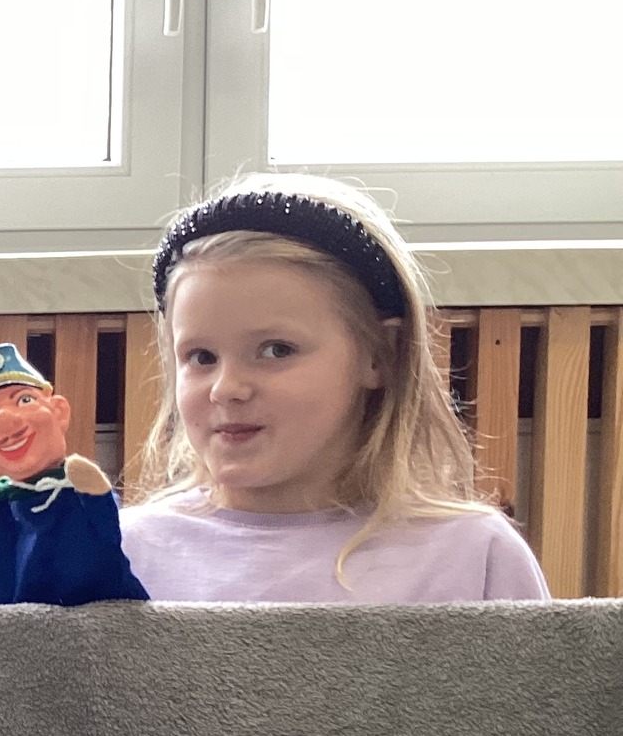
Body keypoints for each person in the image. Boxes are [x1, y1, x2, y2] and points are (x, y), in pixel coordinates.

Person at [123, 172, 548, 601]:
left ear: (379, 355)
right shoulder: (124, 555)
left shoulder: (474, 556)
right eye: (201, 357)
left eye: (276, 350)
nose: (226, 388)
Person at [0, 342, 147, 605]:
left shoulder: (73, 498)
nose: (2, 421)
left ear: (59, 411)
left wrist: (95, 494)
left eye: (24, 400)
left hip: (97, 614)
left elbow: (103, 529)